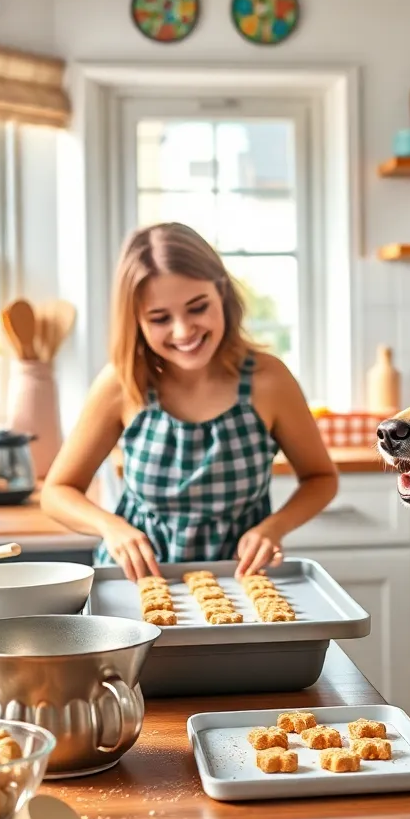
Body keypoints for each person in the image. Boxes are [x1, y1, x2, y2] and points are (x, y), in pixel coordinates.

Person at [41, 222, 338, 580]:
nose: (183, 331)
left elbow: (321, 478)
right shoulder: (122, 383)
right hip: (133, 582)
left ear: (223, 295)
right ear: (136, 321)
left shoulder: (269, 380)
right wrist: (111, 527)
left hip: (239, 582)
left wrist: (273, 528)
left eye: (198, 308)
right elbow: (56, 493)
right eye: (160, 318)